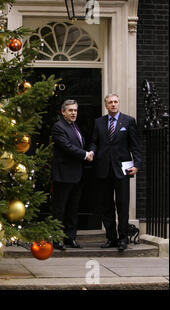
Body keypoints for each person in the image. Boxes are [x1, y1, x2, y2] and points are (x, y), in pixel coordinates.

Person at [89, 94, 142, 251]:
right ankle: (111, 238)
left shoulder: (128, 121)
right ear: (106, 105)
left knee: (122, 205)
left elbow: (135, 145)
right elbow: (94, 141)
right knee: (106, 206)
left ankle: (123, 239)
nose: (113, 104)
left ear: (119, 104)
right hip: (103, 169)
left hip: (122, 170)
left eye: (115, 102)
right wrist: (92, 151)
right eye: (110, 102)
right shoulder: (98, 122)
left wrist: (137, 164)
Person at [51, 99, 93, 250]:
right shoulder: (58, 127)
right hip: (63, 175)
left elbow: (77, 144)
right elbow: (66, 147)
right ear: (63, 112)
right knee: (60, 208)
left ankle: (70, 238)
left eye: (75, 110)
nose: (74, 113)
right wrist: (85, 154)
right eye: (70, 110)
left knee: (73, 208)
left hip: (77, 174)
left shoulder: (75, 126)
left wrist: (88, 153)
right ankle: (56, 239)